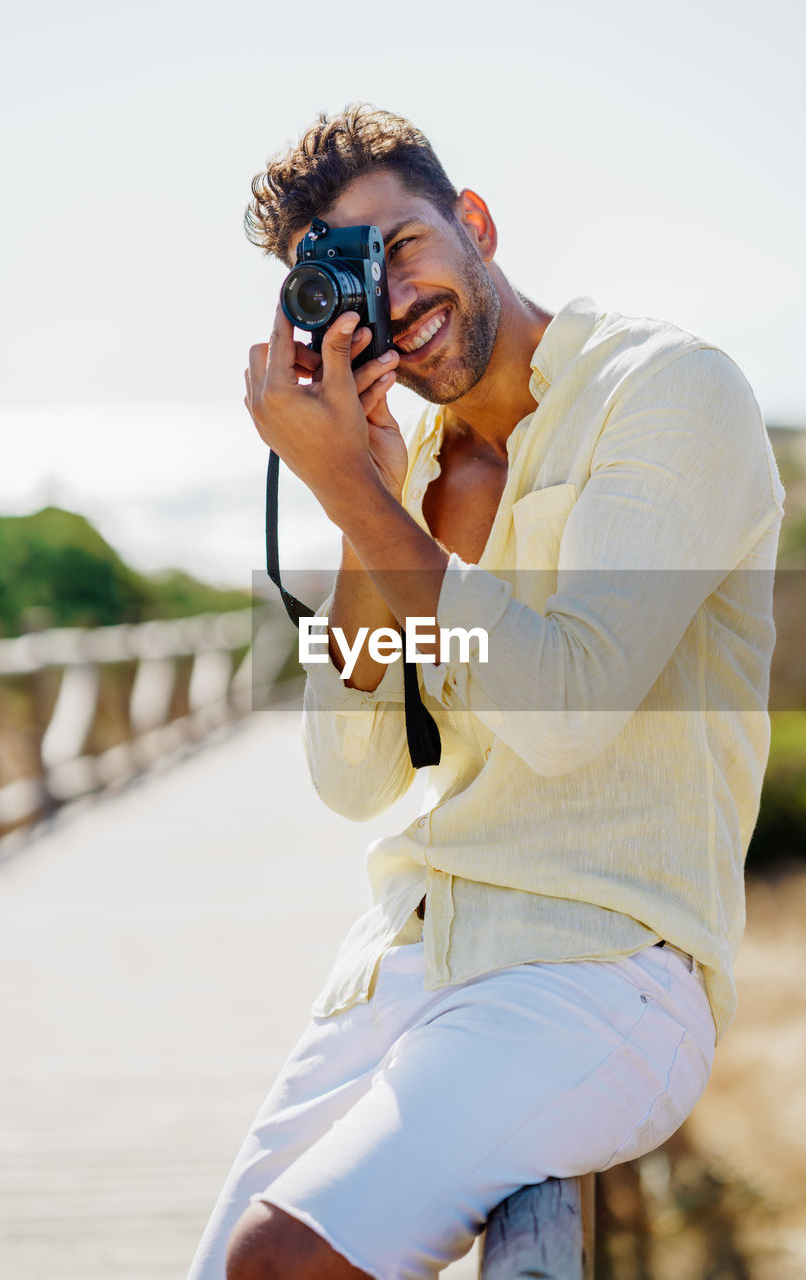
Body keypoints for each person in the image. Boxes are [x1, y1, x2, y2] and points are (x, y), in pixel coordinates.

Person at [187, 105, 784, 1280]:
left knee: (279, 1262)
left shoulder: (667, 391)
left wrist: (357, 500)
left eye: (399, 243)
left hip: (604, 964)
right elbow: (352, 774)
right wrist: (364, 487)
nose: (392, 294)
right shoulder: (403, 468)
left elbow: (566, 707)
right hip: (410, 945)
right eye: (348, 273)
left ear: (474, 221)